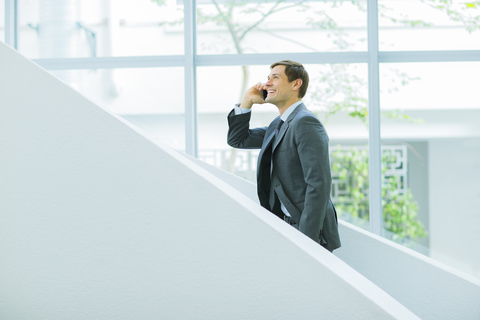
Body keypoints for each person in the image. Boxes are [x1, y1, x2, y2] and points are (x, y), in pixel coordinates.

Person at [227, 60, 341, 252]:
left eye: (276, 78)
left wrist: (307, 241)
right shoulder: (278, 124)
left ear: (296, 84)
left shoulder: (305, 122)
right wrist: (247, 100)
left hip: (306, 231)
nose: (267, 83)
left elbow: (318, 185)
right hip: (283, 225)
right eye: (268, 78)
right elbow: (238, 140)